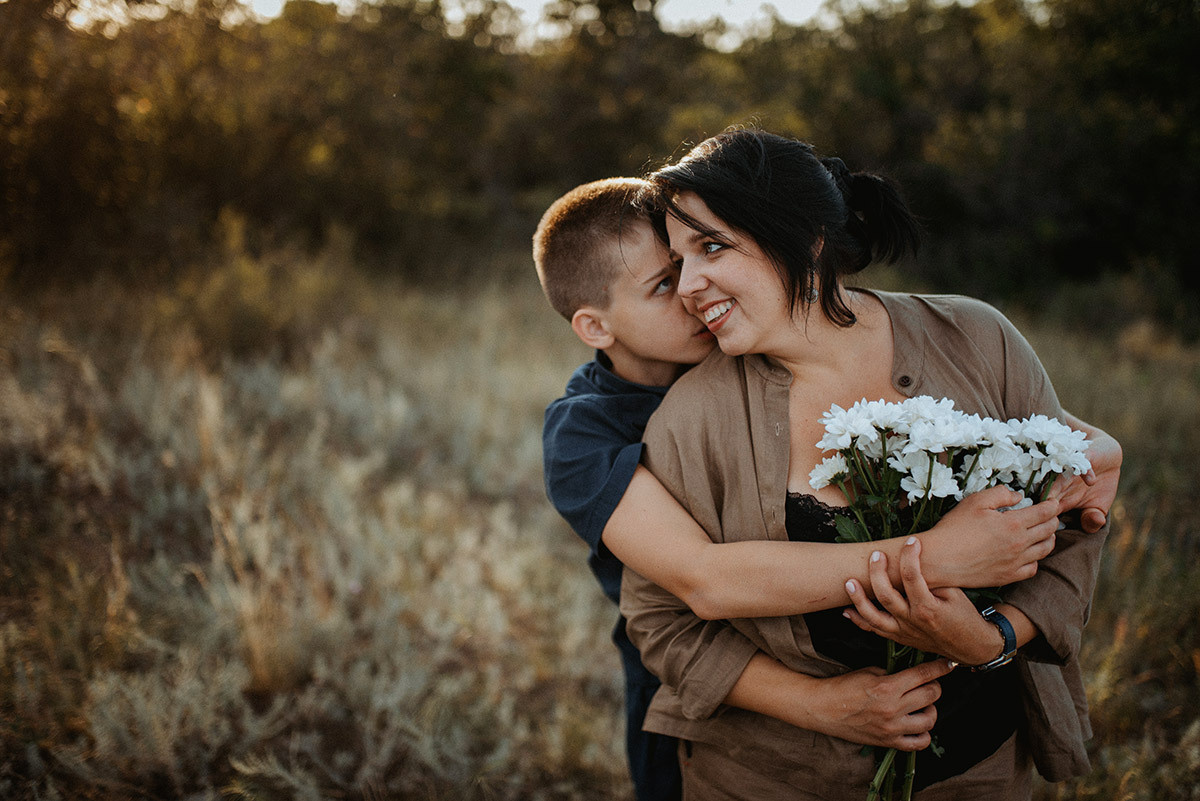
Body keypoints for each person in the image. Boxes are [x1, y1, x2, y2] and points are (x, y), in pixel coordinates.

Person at [532, 177, 1118, 800]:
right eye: (662, 285)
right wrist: (933, 559)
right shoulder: (586, 433)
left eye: (689, 262)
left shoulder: (741, 349)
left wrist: (1101, 447)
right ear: (596, 327)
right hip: (692, 659)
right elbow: (700, 578)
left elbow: (1045, 431)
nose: (689, 294)